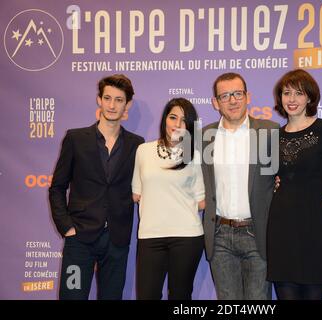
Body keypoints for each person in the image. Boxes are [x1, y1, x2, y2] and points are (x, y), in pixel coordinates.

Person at [49, 74, 144, 300]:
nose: (112, 105)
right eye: (107, 98)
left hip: (117, 240)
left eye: (119, 100)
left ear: (127, 104)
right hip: (80, 239)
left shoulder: (137, 144)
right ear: (99, 100)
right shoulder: (75, 139)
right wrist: (67, 228)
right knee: (72, 296)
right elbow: (57, 187)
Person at [201, 72, 279, 300]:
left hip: (258, 232)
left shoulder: (269, 132)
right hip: (220, 235)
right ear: (215, 102)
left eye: (237, 93)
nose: (232, 100)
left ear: (248, 96)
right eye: (225, 96)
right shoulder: (206, 136)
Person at [266, 69, 322, 300]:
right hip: (281, 229)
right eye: (286, 93)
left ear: (309, 97)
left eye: (298, 93)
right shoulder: (272, 137)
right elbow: (265, 179)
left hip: (315, 226)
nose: (292, 99)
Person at [132, 98, 205, 300]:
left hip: (187, 237)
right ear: (165, 119)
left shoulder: (195, 155)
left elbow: (201, 201)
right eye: (173, 117)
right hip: (150, 236)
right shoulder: (143, 151)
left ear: (190, 126)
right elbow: (136, 194)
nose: (177, 124)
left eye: (183, 120)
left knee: (181, 297)